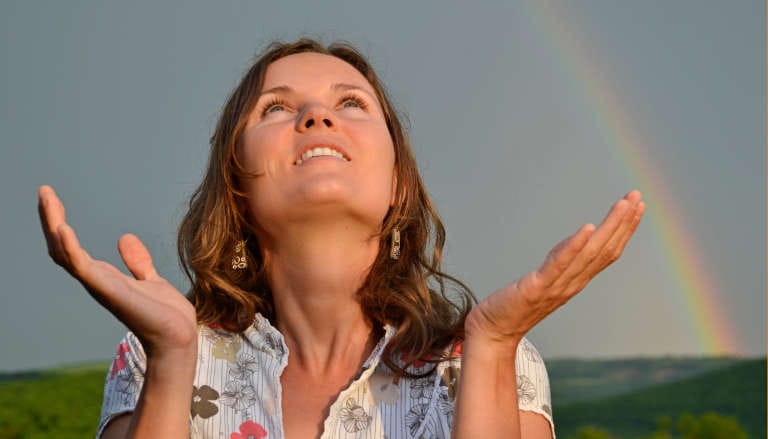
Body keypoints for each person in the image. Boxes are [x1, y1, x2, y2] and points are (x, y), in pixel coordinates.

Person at [38, 38, 645, 439]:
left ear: (399, 186)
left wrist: (494, 343)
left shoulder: (495, 364)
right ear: (236, 184)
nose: (317, 117)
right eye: (276, 108)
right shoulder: (150, 355)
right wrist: (172, 362)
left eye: (351, 103)